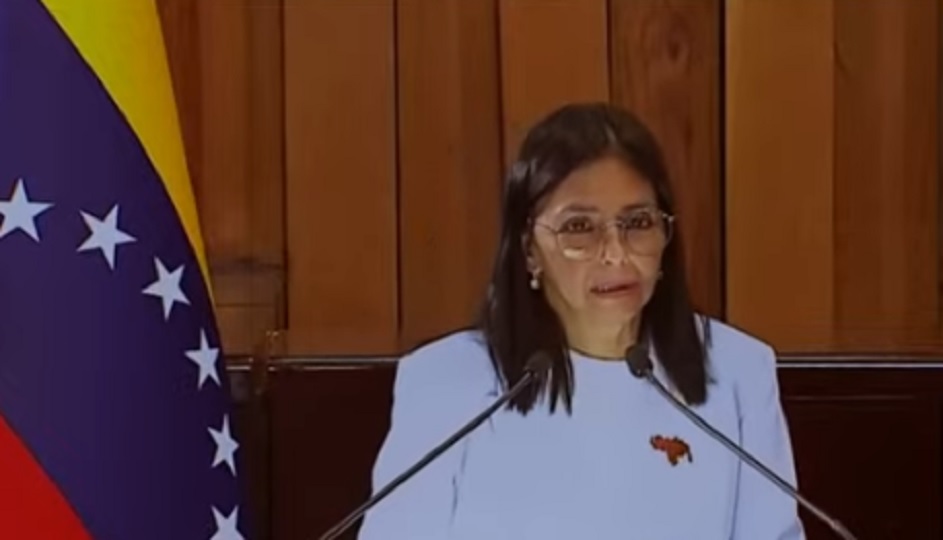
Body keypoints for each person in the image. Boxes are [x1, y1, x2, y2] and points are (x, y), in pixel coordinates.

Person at [356, 103, 805, 539]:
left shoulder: (738, 371)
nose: (615, 253)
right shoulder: (445, 382)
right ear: (529, 249)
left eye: (638, 222)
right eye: (579, 228)